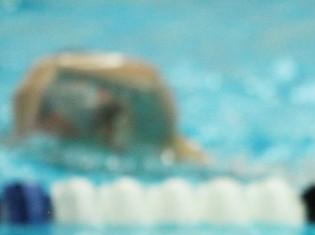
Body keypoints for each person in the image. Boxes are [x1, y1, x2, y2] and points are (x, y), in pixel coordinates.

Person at [11, 52, 204, 161]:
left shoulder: (144, 132)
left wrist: (55, 66)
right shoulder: (58, 154)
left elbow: (149, 80)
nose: (52, 123)